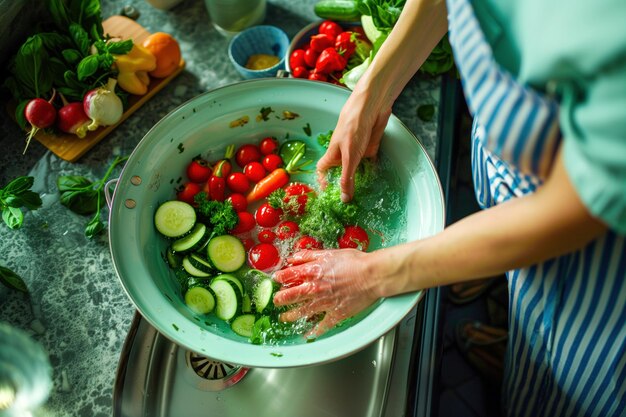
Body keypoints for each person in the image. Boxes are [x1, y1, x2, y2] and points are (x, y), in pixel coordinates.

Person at [272, 0, 626, 415]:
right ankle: (502, 289)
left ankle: (534, 370)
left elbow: (575, 210)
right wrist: (373, 91)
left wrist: (372, 273)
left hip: (590, 255)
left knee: (555, 385)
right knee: (517, 282)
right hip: (518, 164)